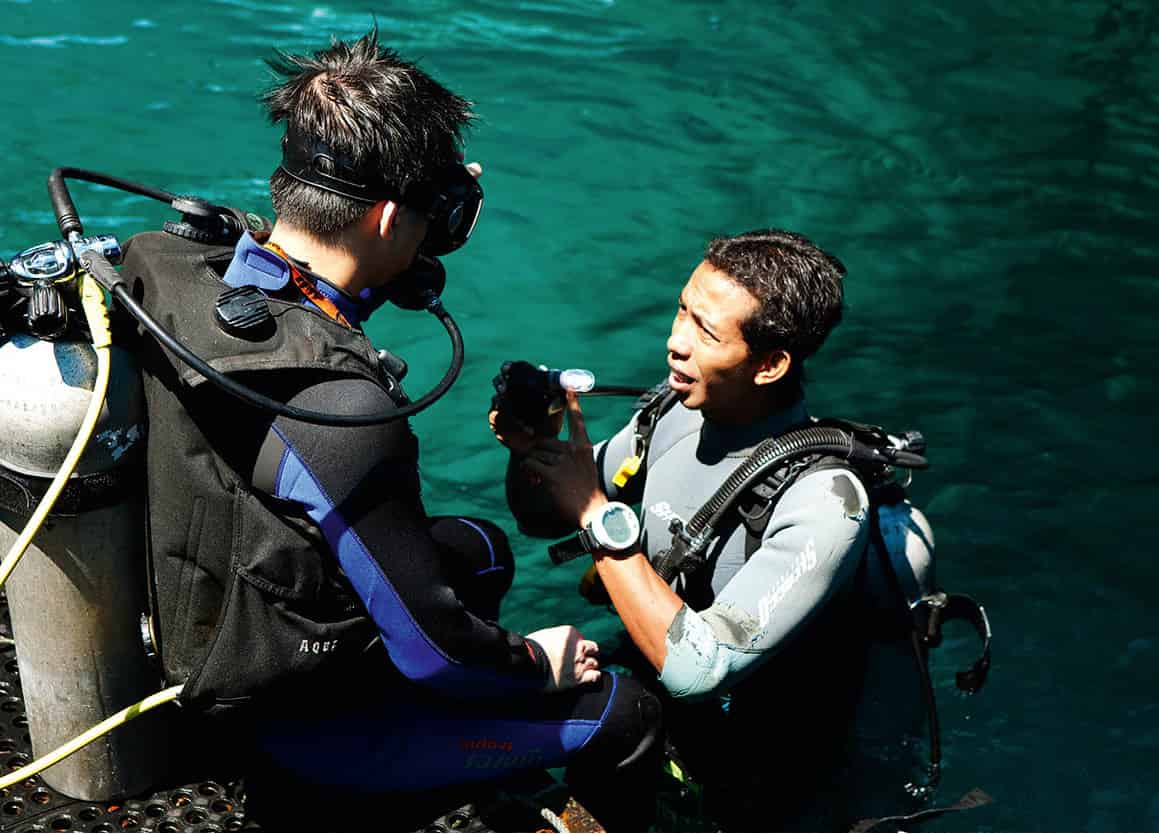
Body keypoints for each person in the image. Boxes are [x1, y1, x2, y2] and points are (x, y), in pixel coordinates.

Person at [123, 28, 659, 827]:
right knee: (623, 712)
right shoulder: (342, 412)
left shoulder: (175, 274)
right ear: (382, 218)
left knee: (481, 549)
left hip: (192, 595)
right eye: (433, 213)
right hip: (297, 729)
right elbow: (437, 653)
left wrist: (378, 282)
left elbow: (311, 298)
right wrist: (534, 666)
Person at [491, 229, 932, 830]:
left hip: (787, 784)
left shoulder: (826, 504)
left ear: (770, 364)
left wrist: (596, 515)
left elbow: (702, 670)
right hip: (676, 733)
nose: (675, 342)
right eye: (682, 310)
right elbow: (543, 515)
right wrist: (532, 448)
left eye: (707, 332)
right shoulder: (671, 413)